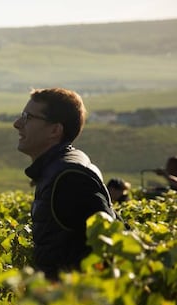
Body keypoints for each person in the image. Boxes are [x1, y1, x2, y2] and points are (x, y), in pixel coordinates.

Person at [13, 87, 117, 280]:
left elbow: (109, 245)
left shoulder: (69, 178)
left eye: (28, 117)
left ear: (55, 130)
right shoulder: (60, 169)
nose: (17, 124)